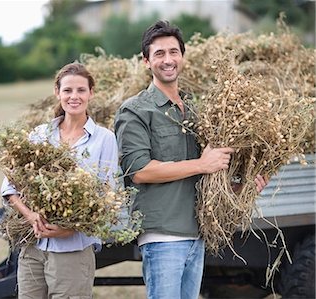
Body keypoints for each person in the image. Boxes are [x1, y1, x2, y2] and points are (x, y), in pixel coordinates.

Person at [114, 20, 268, 299]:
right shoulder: (135, 111)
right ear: (146, 61)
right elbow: (139, 171)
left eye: (173, 52)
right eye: (159, 53)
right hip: (163, 237)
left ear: (182, 57)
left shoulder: (196, 112)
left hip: (196, 234)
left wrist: (241, 188)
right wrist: (202, 164)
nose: (168, 59)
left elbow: (206, 177)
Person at [1, 62, 119, 299]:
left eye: (80, 90)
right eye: (67, 90)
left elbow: (108, 196)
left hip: (73, 250)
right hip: (33, 248)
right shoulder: (39, 135)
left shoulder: (105, 139)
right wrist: (30, 215)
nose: (74, 96)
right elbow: (10, 186)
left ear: (91, 93)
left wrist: (70, 228)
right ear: (57, 92)